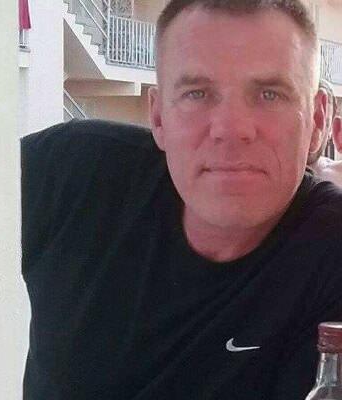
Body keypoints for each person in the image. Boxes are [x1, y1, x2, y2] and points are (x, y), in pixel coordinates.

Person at [21, 1, 342, 399]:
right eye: (197, 94)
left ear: (317, 121)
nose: (231, 129)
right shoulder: (73, 176)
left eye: (269, 94)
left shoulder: (331, 251)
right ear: (157, 117)